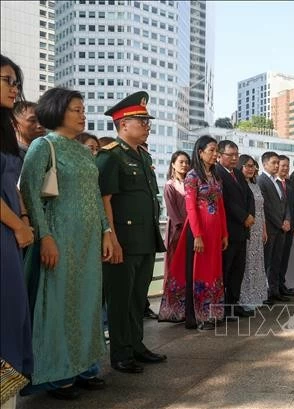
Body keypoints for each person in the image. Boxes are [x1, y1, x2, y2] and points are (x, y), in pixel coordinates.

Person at [21, 87, 113, 399]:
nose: (82, 113)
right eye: (76, 108)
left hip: (87, 241)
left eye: (82, 108)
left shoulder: (83, 150)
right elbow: (32, 196)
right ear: (58, 110)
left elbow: (95, 198)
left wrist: (107, 231)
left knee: (86, 302)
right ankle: (56, 375)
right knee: (57, 305)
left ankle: (84, 366)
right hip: (59, 236)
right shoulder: (43, 146)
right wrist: (45, 236)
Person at [96, 91, 167, 374]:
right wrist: (110, 237)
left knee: (139, 297)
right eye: (141, 120)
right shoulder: (110, 156)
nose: (147, 124)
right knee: (120, 299)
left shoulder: (142, 155)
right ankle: (121, 352)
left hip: (145, 240)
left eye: (147, 120)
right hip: (122, 241)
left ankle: (137, 345)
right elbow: (104, 200)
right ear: (122, 123)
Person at [160, 136, 229, 330]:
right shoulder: (192, 176)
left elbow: (221, 206)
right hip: (199, 232)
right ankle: (197, 316)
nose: (216, 154)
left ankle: (212, 312)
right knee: (198, 271)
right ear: (200, 152)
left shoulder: (216, 177)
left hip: (215, 232)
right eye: (212, 150)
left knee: (214, 271)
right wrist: (197, 235)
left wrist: (225, 234)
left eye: (216, 151)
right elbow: (190, 207)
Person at [0, 54, 34, 408]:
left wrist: (22, 220)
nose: (15, 88)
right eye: (7, 80)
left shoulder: (4, 130)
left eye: (16, 81)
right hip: (5, 233)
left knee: (12, 315)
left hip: (9, 235)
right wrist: (18, 225)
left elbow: (12, 183)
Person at [216, 140, 254, 319]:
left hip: (243, 230)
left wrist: (251, 215)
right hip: (228, 231)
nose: (233, 158)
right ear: (219, 155)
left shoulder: (238, 174)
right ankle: (223, 308)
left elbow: (249, 196)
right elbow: (226, 201)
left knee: (239, 270)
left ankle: (235, 304)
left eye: (236, 155)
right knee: (226, 269)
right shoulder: (217, 174)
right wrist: (243, 216)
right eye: (230, 155)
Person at [257, 151, 290, 303]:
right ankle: (265, 293)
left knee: (277, 261)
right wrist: (280, 223)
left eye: (278, 162)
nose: (277, 165)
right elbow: (266, 207)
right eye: (274, 163)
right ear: (264, 164)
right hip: (270, 228)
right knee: (267, 262)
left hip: (282, 228)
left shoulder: (278, 181)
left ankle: (275, 290)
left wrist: (287, 220)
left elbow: (285, 203)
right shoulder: (261, 180)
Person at [237, 154, 269, 309]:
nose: (251, 169)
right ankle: (244, 298)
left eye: (253, 166)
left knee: (257, 263)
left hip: (258, 230)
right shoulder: (238, 184)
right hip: (245, 228)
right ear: (240, 166)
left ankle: (256, 296)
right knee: (246, 264)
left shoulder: (255, 185)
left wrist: (264, 230)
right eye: (247, 166)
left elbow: (261, 210)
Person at [161, 150, 190, 293]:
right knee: (174, 265)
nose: (184, 165)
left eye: (186, 162)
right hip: (176, 230)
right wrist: (181, 227)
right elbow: (171, 210)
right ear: (173, 164)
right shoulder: (170, 185)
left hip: (191, 230)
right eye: (181, 162)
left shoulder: (191, 184)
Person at [277, 155, 294, 297]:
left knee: (285, 258)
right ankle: (274, 288)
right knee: (276, 259)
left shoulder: (290, 184)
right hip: (277, 226)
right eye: (283, 165)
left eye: (287, 165)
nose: (285, 168)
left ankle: (281, 284)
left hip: (290, 226)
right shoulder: (273, 183)